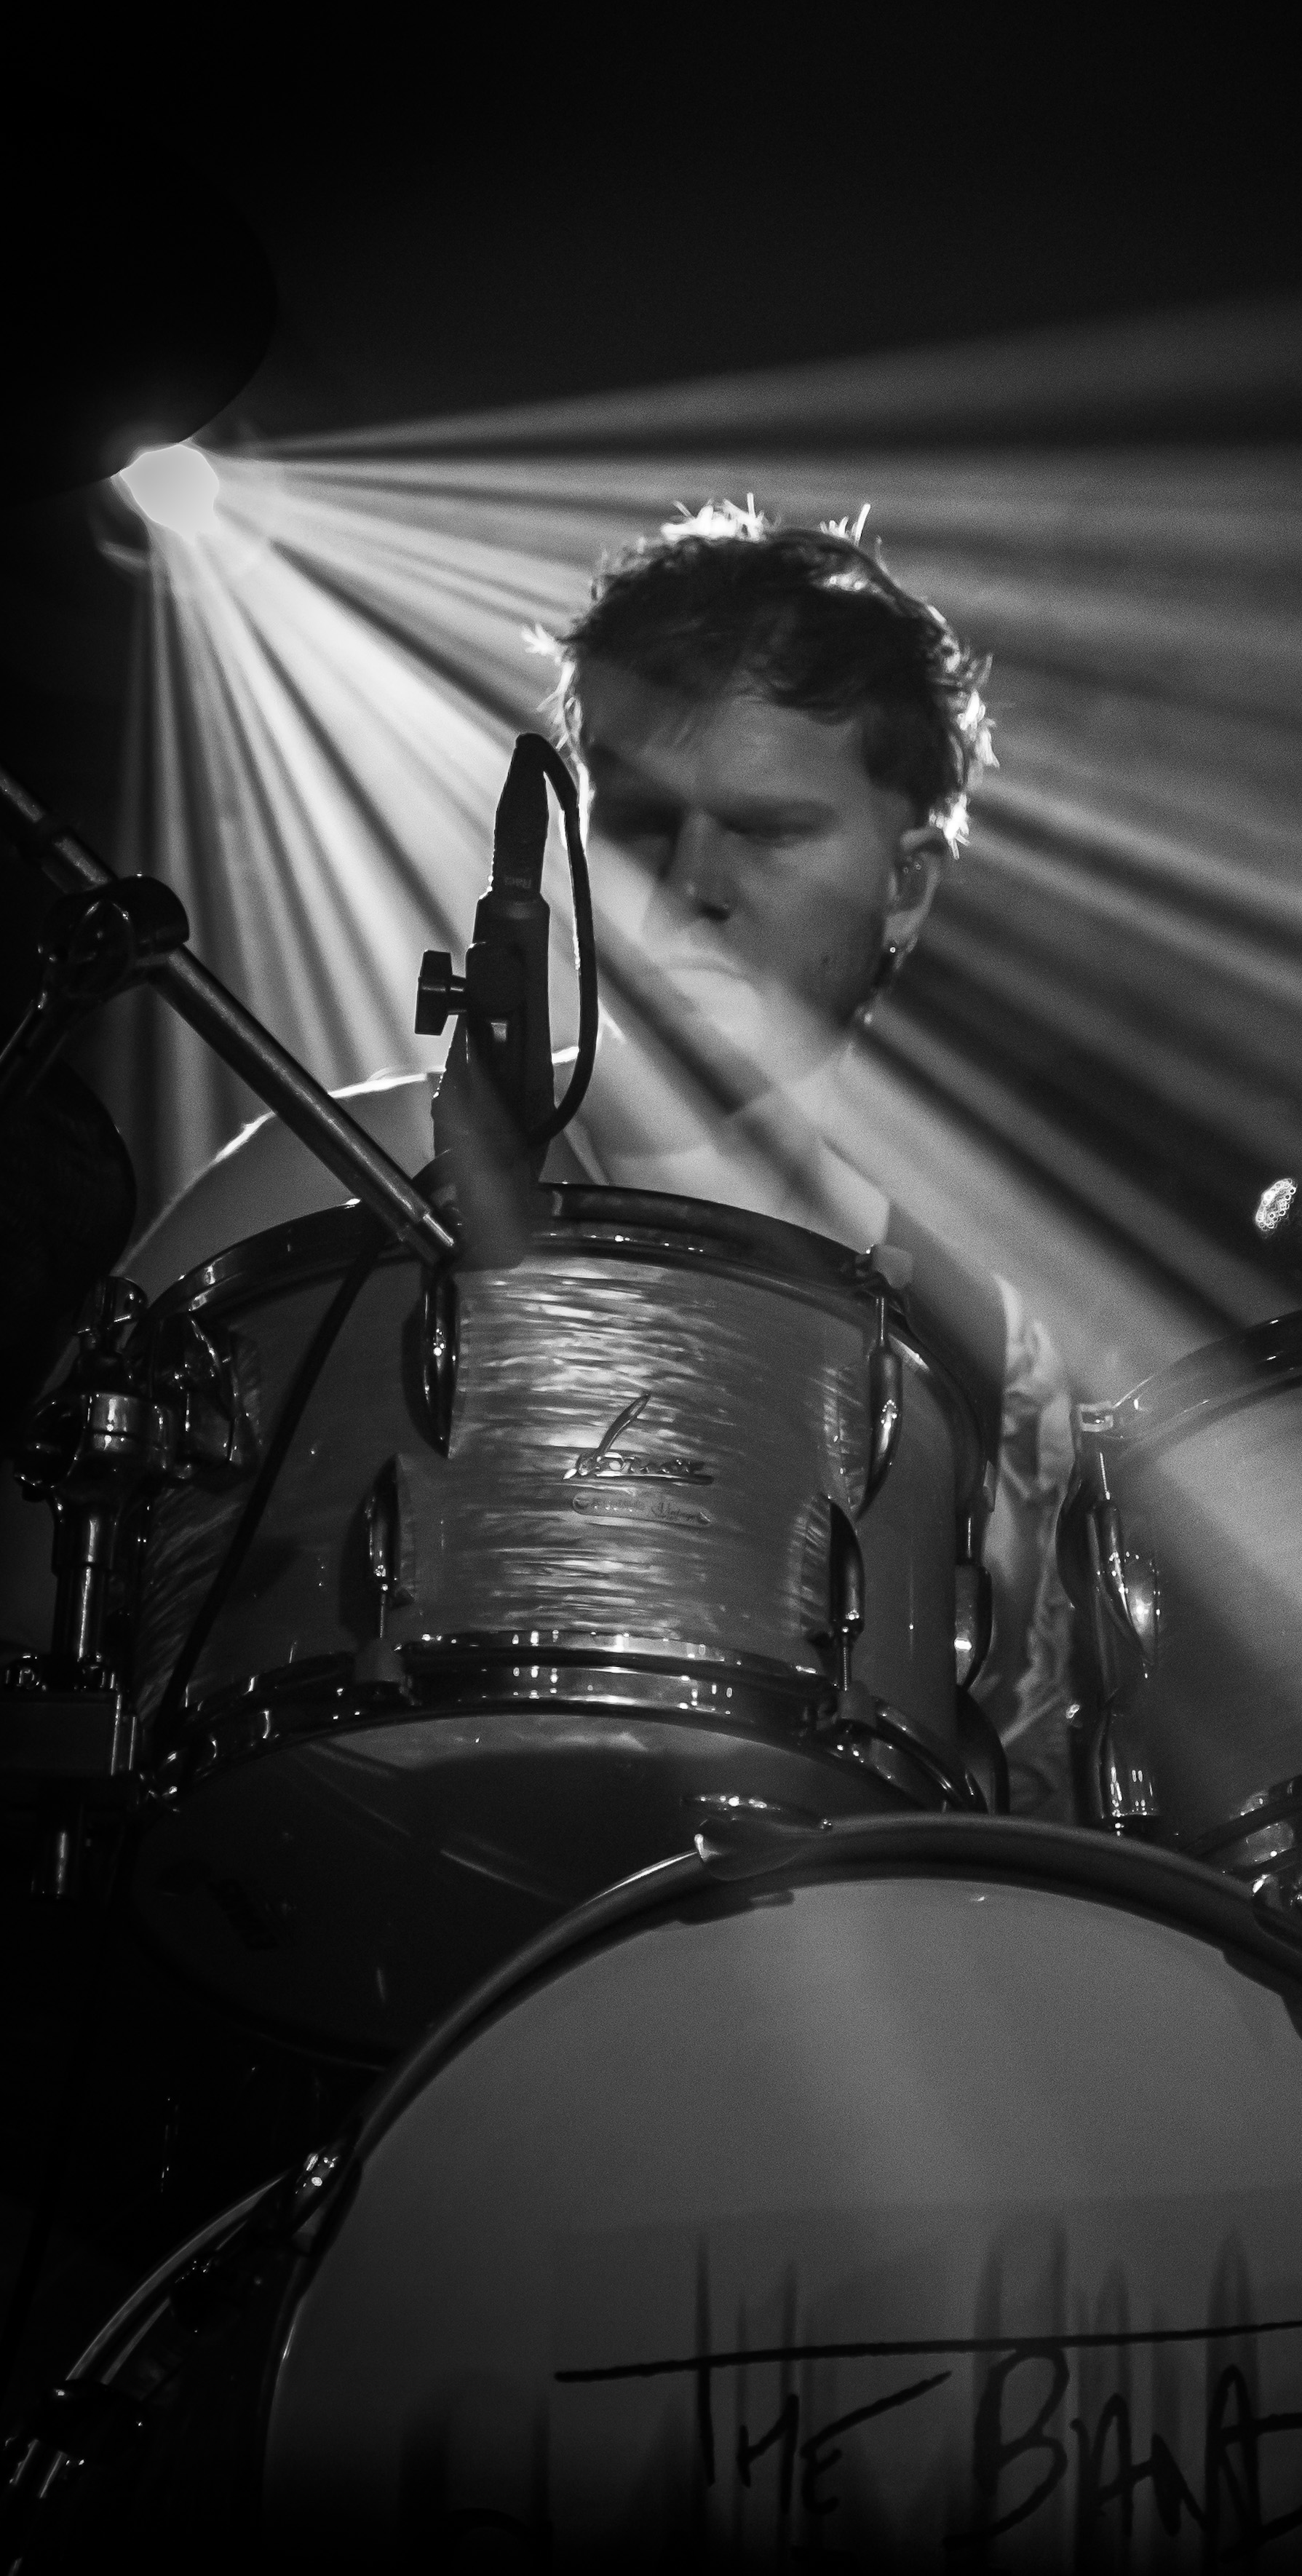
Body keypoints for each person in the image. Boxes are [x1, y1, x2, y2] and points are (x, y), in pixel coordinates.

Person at [89, 503, 1084, 1818]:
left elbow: (1022, 1809)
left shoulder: (990, 1355)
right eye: (642, 822)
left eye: (767, 828)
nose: (693, 879)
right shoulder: (329, 1175)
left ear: (906, 887)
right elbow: (36, 1610)